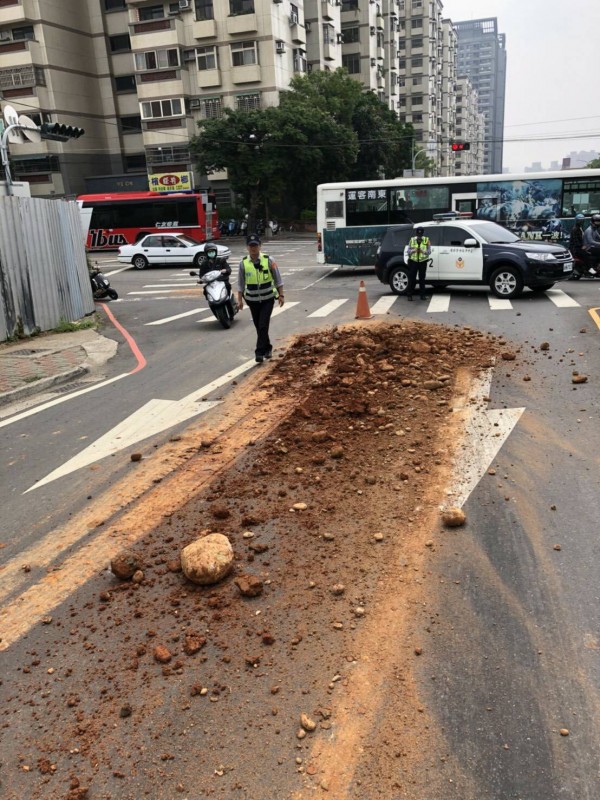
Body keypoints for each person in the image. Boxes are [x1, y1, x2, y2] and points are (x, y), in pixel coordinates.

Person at [237, 234, 284, 363]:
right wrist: (239, 300)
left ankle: (259, 352)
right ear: (247, 247)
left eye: (255, 245)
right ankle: (268, 347)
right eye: (251, 245)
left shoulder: (269, 260)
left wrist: (281, 295)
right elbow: (240, 284)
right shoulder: (243, 263)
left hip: (268, 299)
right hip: (252, 301)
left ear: (260, 246)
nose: (253, 248)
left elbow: (278, 279)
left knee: (263, 325)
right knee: (259, 326)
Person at [199, 242, 233, 309]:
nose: (211, 253)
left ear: (215, 252)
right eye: (209, 252)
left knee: (228, 286)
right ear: (206, 253)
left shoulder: (221, 260)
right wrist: (201, 280)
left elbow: (228, 269)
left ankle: (230, 303)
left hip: (222, 281)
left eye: (213, 251)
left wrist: (225, 270)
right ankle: (211, 304)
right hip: (211, 283)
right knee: (205, 291)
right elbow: (201, 275)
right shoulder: (204, 264)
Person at [406, 226, 431, 300]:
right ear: (416, 233)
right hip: (413, 262)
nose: (419, 236)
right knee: (412, 279)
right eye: (418, 234)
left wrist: (422, 251)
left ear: (422, 234)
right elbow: (408, 251)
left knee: (422, 279)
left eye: (420, 234)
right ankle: (409, 295)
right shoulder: (412, 240)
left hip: (422, 262)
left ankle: (422, 295)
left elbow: (429, 251)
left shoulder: (427, 240)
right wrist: (414, 250)